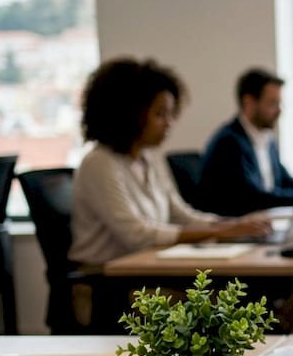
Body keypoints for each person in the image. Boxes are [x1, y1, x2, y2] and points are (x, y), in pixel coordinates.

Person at [70, 58, 271, 268]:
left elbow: (180, 214)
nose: (169, 123)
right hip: (105, 280)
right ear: (129, 113)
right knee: (221, 295)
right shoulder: (99, 163)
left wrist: (232, 225)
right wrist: (219, 231)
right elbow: (136, 235)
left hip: (144, 270)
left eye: (170, 113)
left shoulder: (150, 158)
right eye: (160, 114)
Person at [197, 68, 293, 216]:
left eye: (279, 103)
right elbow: (255, 198)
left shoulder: (265, 137)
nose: (279, 110)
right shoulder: (229, 143)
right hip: (237, 228)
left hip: (263, 221)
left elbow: (285, 181)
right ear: (249, 102)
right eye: (272, 104)